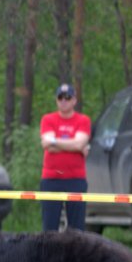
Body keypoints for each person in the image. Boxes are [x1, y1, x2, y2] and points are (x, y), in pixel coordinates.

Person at [39, 83, 91, 232]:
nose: (63, 101)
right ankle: (49, 256)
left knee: (77, 230)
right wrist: (74, 145)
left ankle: (76, 256)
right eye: (60, 98)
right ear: (56, 100)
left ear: (74, 100)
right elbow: (47, 145)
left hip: (75, 180)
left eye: (67, 98)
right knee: (49, 229)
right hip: (51, 180)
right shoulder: (48, 119)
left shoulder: (83, 120)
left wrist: (55, 142)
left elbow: (79, 143)